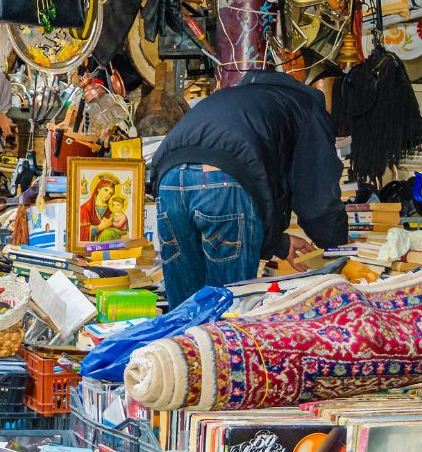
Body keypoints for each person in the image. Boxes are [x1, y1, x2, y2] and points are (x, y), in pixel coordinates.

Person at [149, 69, 348, 307]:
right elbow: (317, 193)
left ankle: (180, 345)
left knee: (184, 310)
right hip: (223, 179)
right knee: (229, 310)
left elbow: (255, 184)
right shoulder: (306, 106)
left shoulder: (239, 98)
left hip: (169, 179)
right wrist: (338, 248)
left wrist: (280, 244)